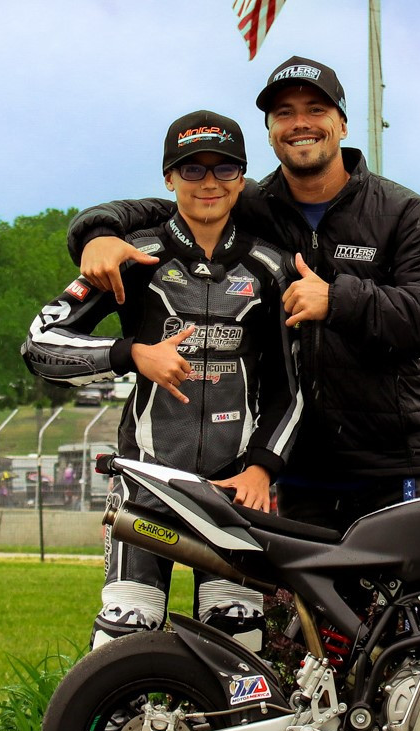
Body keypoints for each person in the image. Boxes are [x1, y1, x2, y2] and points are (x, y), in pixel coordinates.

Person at [67, 57, 420, 731]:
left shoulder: (398, 212)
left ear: (342, 124)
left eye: (314, 109)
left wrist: (339, 298)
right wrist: (93, 236)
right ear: (272, 134)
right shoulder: (254, 205)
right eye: (283, 113)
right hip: (294, 465)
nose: (299, 123)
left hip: (397, 456)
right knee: (334, 643)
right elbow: (154, 205)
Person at [23, 109, 301, 653]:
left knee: (236, 640)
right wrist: (132, 355)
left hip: (233, 489)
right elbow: (39, 346)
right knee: (125, 632)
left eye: (223, 170)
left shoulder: (271, 267)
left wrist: (264, 470)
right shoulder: (131, 255)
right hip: (146, 483)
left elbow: (293, 388)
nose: (208, 184)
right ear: (169, 179)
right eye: (191, 171)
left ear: (241, 179)